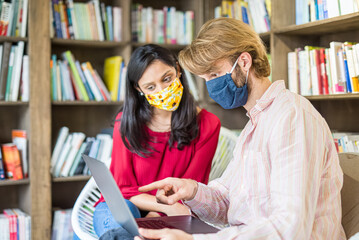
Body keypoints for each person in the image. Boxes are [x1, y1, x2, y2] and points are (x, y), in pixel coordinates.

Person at [135, 18, 346, 240]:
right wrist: (192, 190)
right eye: (205, 79)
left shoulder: (292, 116)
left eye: (214, 74)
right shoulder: (254, 124)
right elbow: (229, 203)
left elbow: (289, 227)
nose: (211, 87)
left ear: (244, 62)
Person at [92, 44, 221, 238]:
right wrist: (163, 208)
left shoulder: (208, 124)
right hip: (124, 207)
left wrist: (157, 215)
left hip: (176, 213)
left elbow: (190, 188)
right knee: (118, 226)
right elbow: (122, 190)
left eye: (167, 79)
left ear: (178, 70)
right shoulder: (125, 123)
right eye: (150, 87)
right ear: (138, 89)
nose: (162, 90)